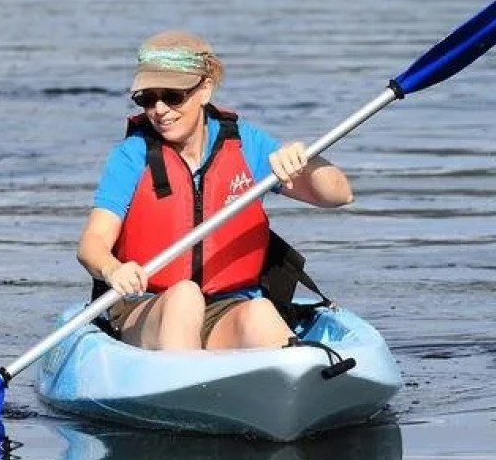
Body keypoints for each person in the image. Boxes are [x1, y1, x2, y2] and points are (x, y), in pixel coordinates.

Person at [76, 31, 353, 352]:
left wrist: (306, 160)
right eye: (147, 98)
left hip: (228, 307)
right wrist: (113, 268)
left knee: (263, 310)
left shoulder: (246, 144)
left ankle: (293, 387)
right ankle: (183, 387)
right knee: (184, 298)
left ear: (205, 88)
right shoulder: (131, 155)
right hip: (149, 308)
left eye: (173, 95)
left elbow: (338, 195)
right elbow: (92, 244)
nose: (160, 109)